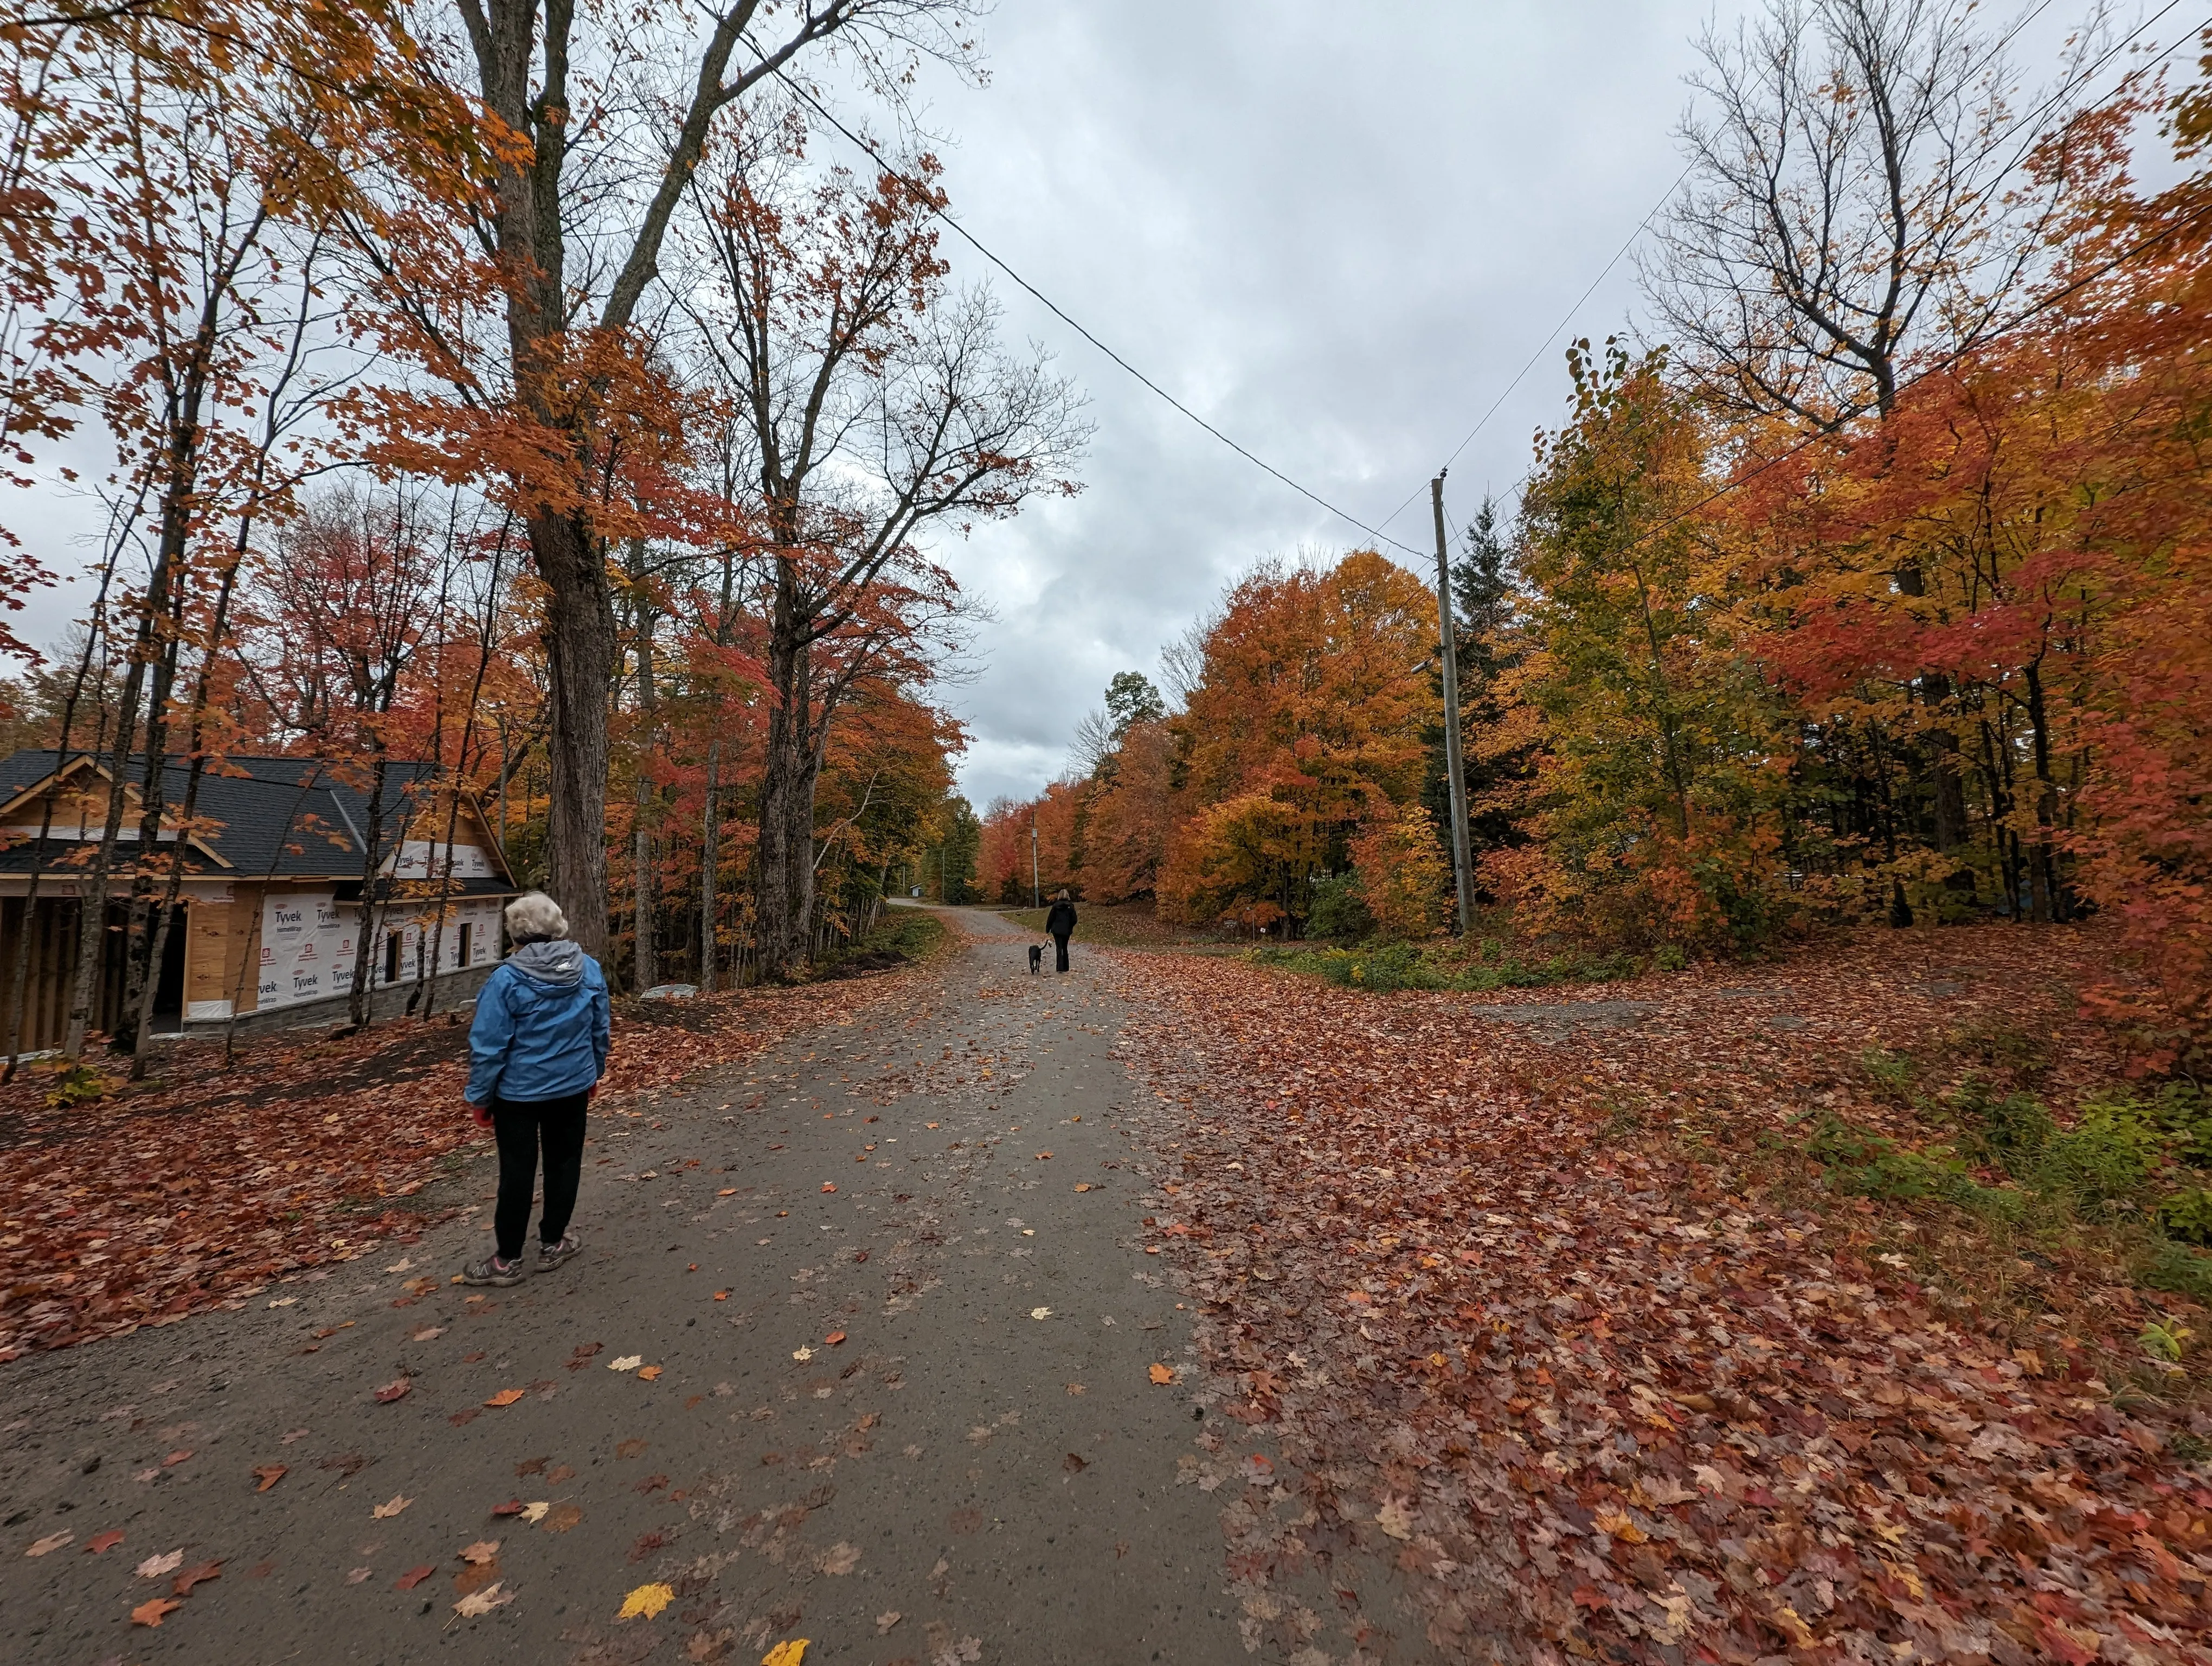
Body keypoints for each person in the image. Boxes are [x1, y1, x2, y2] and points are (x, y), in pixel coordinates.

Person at [459, 892, 610, 1286]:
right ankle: (553, 1243)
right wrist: (593, 1073)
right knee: (564, 1164)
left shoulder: (506, 980)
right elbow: (600, 1030)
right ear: (557, 924)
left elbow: (488, 1046)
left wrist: (480, 1097)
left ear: (517, 932)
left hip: (519, 1095)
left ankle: (507, 1259)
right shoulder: (589, 970)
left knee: (517, 1173)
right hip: (572, 1087)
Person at [1044, 889, 1078, 973]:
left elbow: (1051, 918)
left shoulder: (1056, 906)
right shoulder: (1070, 906)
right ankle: (1066, 967)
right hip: (1066, 930)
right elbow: (1074, 919)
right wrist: (1070, 926)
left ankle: (1059, 967)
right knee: (1065, 948)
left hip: (1057, 930)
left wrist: (1048, 929)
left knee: (1059, 948)